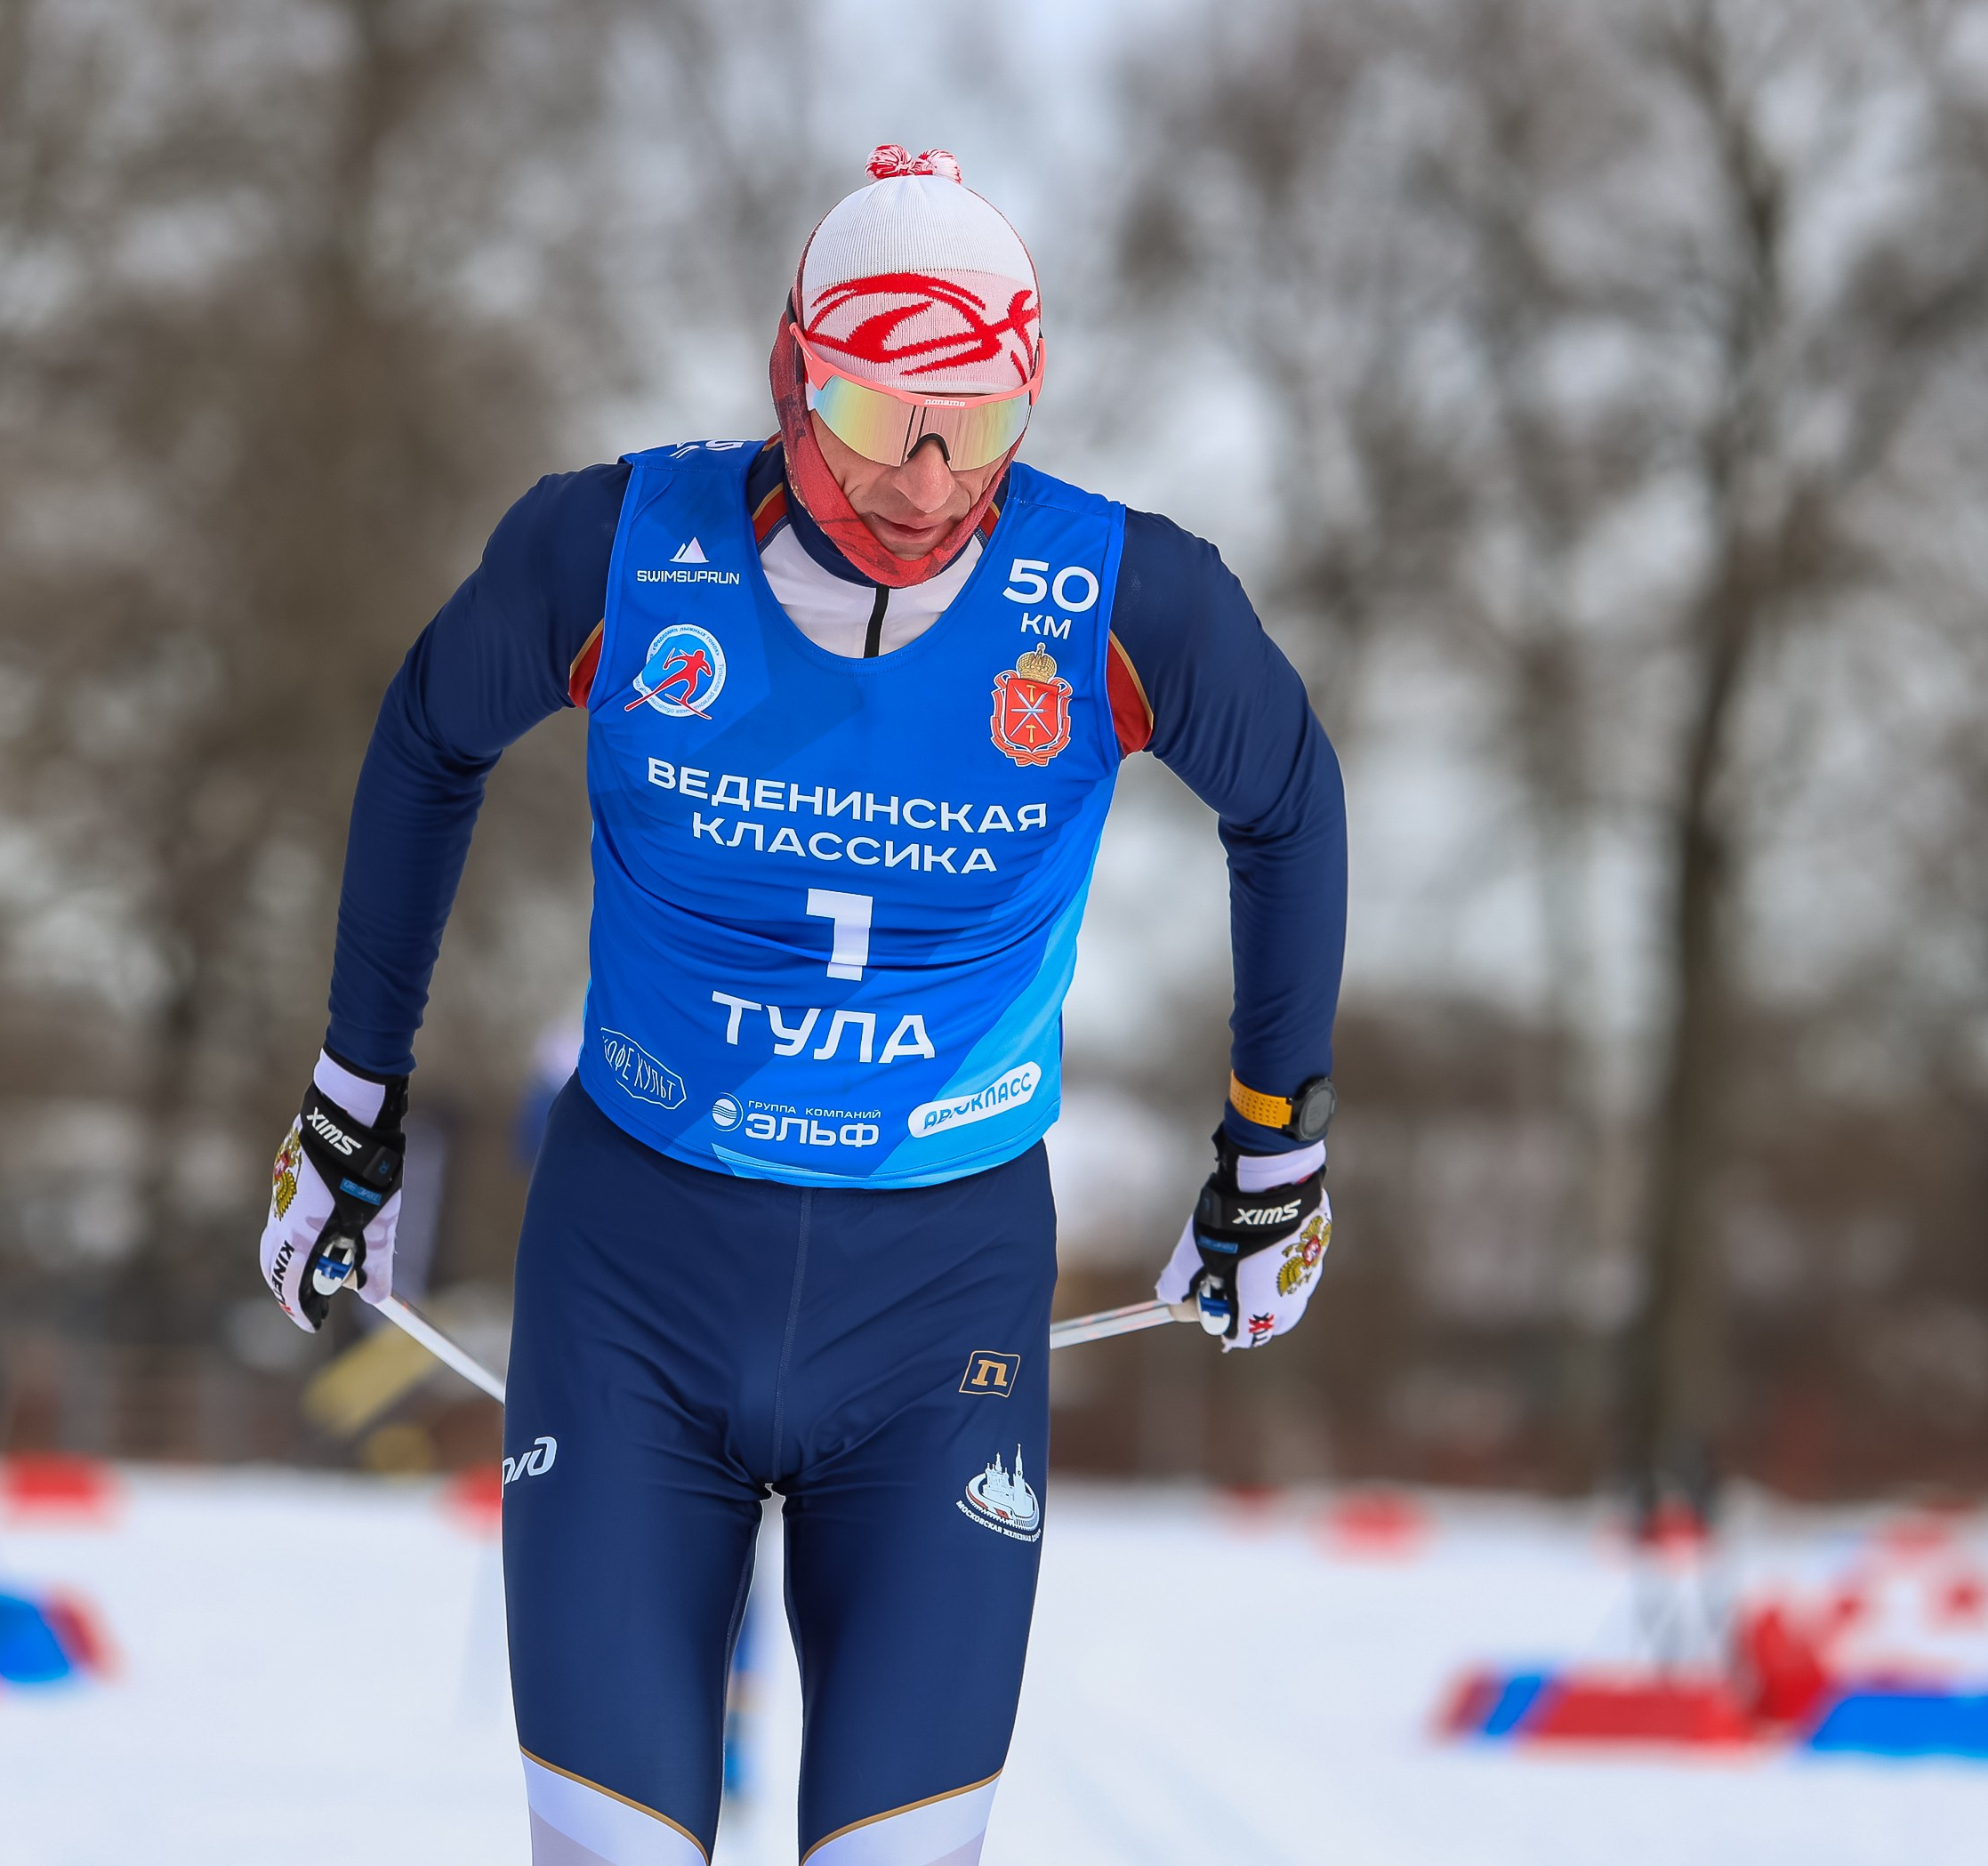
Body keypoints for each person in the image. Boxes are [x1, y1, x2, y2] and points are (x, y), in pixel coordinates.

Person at [258, 145, 1346, 1866]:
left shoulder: (1123, 596)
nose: (925, 478)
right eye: (873, 412)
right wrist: (351, 1103)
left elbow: (1290, 800)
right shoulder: (612, 547)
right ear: (791, 373)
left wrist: (1274, 1155)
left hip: (941, 1309)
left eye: (975, 423)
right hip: (635, 1285)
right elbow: (424, 740)